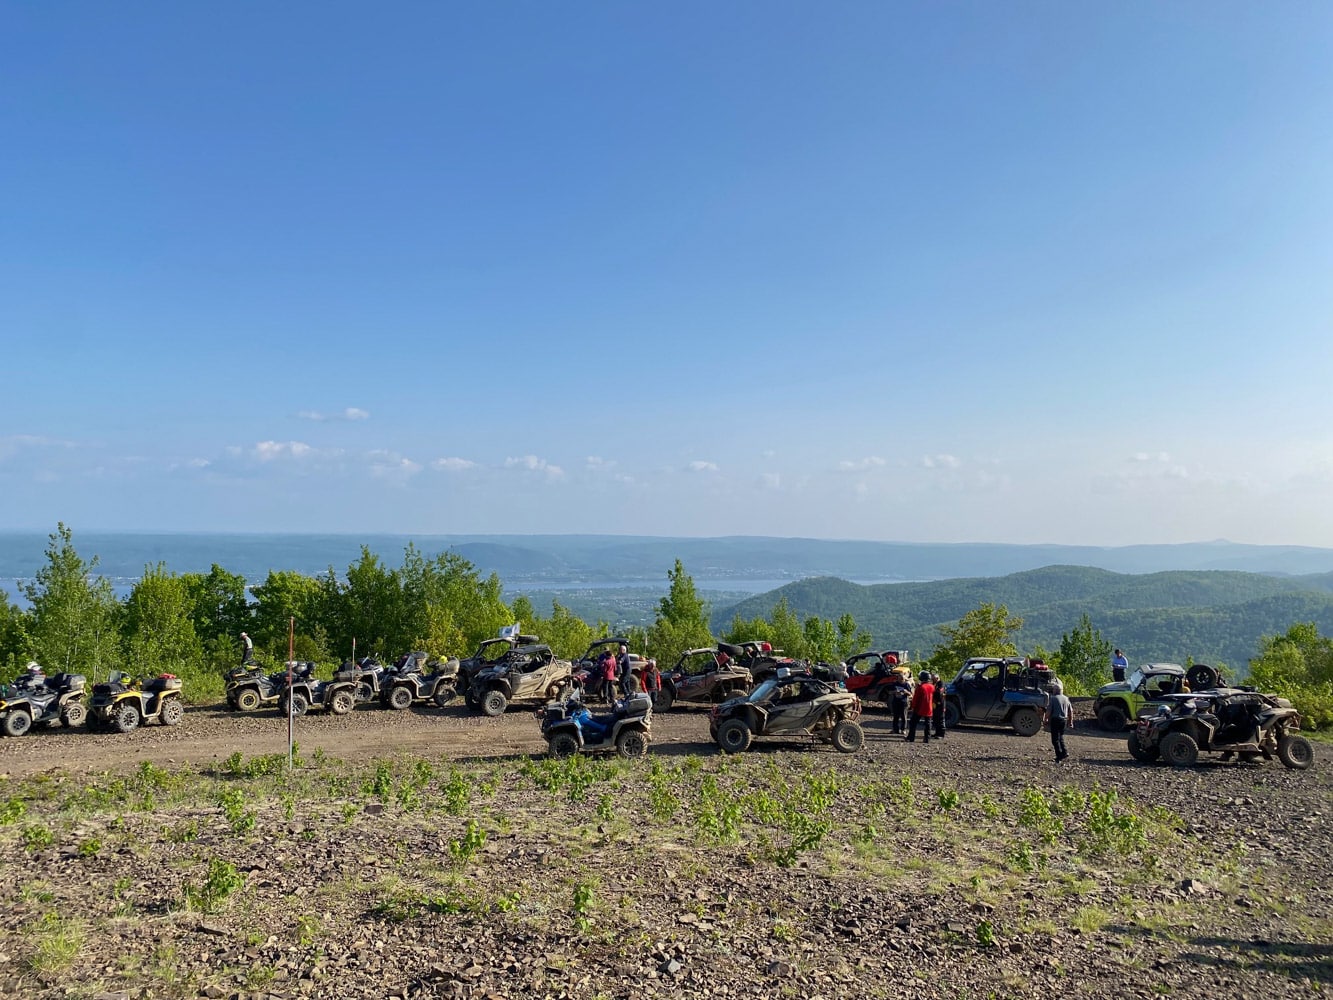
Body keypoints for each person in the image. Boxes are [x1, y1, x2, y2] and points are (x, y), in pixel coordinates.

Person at [1045, 679, 1073, 763]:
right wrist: (1070, 722)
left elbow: (1049, 711)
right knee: (1060, 737)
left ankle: (1059, 755)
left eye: (1053, 689)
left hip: (1055, 720)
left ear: (1056, 691)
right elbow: (1070, 711)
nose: (1052, 691)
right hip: (1063, 720)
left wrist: (1045, 719)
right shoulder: (1066, 699)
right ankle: (1064, 752)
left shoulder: (1053, 699)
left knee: (1055, 739)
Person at [907, 670, 935, 744]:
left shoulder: (921, 687)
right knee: (928, 724)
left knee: (913, 723)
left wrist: (912, 706)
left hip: (919, 708)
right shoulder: (932, 687)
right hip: (929, 708)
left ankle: (911, 738)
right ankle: (927, 739)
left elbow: (915, 699)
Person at [888, 670, 911, 735]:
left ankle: (903, 729)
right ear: (897, 678)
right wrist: (895, 692)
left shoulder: (906, 685)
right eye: (899, 679)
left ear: (904, 679)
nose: (901, 680)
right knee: (896, 716)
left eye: (902, 679)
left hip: (904, 702)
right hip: (896, 702)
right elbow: (889, 692)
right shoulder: (894, 684)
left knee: (904, 717)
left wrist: (905, 691)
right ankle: (895, 729)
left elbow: (910, 694)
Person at [931, 672, 946, 738]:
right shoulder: (934, 683)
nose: (932, 679)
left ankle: (941, 734)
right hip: (935, 704)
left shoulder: (941, 684)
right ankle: (937, 733)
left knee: (941, 719)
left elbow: (939, 692)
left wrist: (933, 691)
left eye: (933, 678)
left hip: (940, 704)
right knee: (936, 719)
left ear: (937, 678)